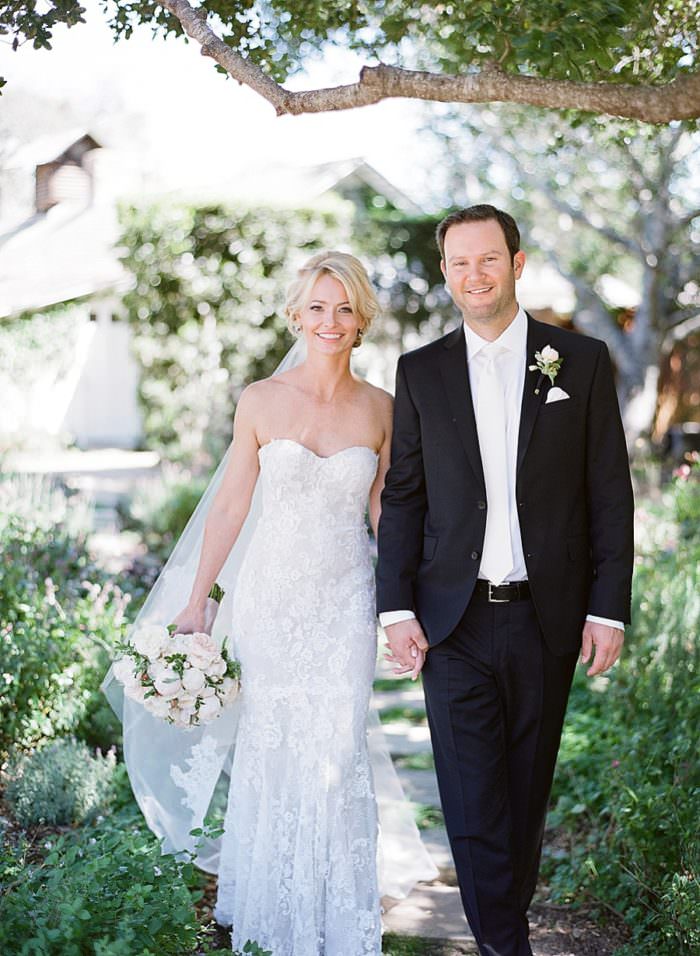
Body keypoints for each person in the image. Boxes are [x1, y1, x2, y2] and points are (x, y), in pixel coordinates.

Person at [106, 250, 436, 956]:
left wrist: (400, 609)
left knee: (336, 746)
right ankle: (266, 913)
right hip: (269, 603)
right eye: (317, 306)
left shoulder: (382, 409)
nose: (330, 320)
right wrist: (199, 603)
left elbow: (387, 517)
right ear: (296, 314)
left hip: (343, 603)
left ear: (362, 320)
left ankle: (335, 915)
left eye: (345, 308)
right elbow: (229, 506)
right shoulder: (259, 400)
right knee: (270, 749)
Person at [376, 205, 634, 956]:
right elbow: (404, 497)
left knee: (524, 794)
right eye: (458, 263)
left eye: (487, 260)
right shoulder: (419, 371)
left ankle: (504, 922)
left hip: (544, 617)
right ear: (446, 272)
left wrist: (607, 609)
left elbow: (608, 493)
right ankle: (503, 943)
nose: (472, 275)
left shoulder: (576, 363)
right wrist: (395, 606)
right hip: (451, 621)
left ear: (517, 264)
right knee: (470, 797)